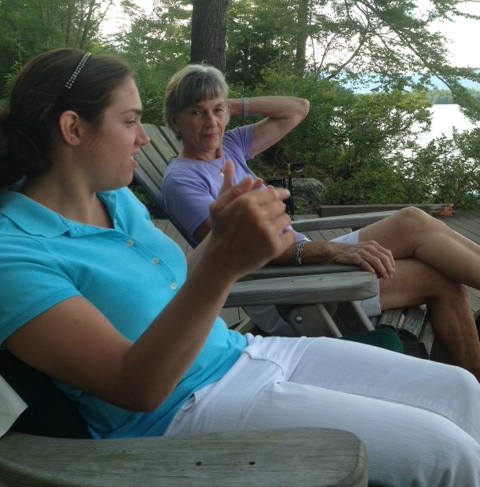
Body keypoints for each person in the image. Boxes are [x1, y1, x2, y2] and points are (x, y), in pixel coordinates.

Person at [3, 50, 480, 487]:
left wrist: (224, 235)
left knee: (460, 388)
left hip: (241, 350)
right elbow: (136, 387)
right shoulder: (15, 255)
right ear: (73, 128)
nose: (144, 137)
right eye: (130, 121)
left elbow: (175, 281)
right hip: (181, 409)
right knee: (446, 455)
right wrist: (224, 261)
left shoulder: (114, 198)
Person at [162, 63, 480, 379]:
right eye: (197, 112)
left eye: (217, 111)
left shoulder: (229, 146)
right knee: (440, 281)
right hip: (284, 287)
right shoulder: (183, 180)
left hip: (303, 261)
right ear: (175, 119)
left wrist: (227, 104)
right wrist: (333, 250)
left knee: (412, 220)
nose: (211, 122)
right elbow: (237, 250)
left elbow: (297, 109)